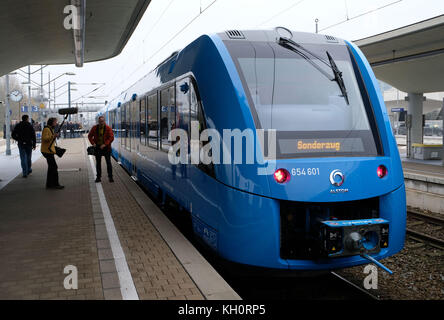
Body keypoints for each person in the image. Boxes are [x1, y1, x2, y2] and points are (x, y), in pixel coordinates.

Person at [88, 116, 114, 183]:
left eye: (102, 121)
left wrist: (105, 144)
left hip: (106, 148)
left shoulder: (108, 128)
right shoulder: (94, 128)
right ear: (98, 122)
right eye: (100, 121)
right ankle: (98, 177)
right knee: (98, 163)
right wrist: (93, 143)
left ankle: (110, 177)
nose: (101, 122)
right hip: (98, 148)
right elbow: (89, 136)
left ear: (104, 121)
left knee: (108, 163)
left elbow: (111, 138)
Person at [41, 118, 64, 190]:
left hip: (49, 150)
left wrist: (53, 135)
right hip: (47, 151)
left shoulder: (50, 129)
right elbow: (45, 138)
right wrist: (53, 136)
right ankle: (55, 184)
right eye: (55, 122)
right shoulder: (46, 129)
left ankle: (49, 184)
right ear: (51, 122)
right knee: (54, 167)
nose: (56, 124)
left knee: (51, 168)